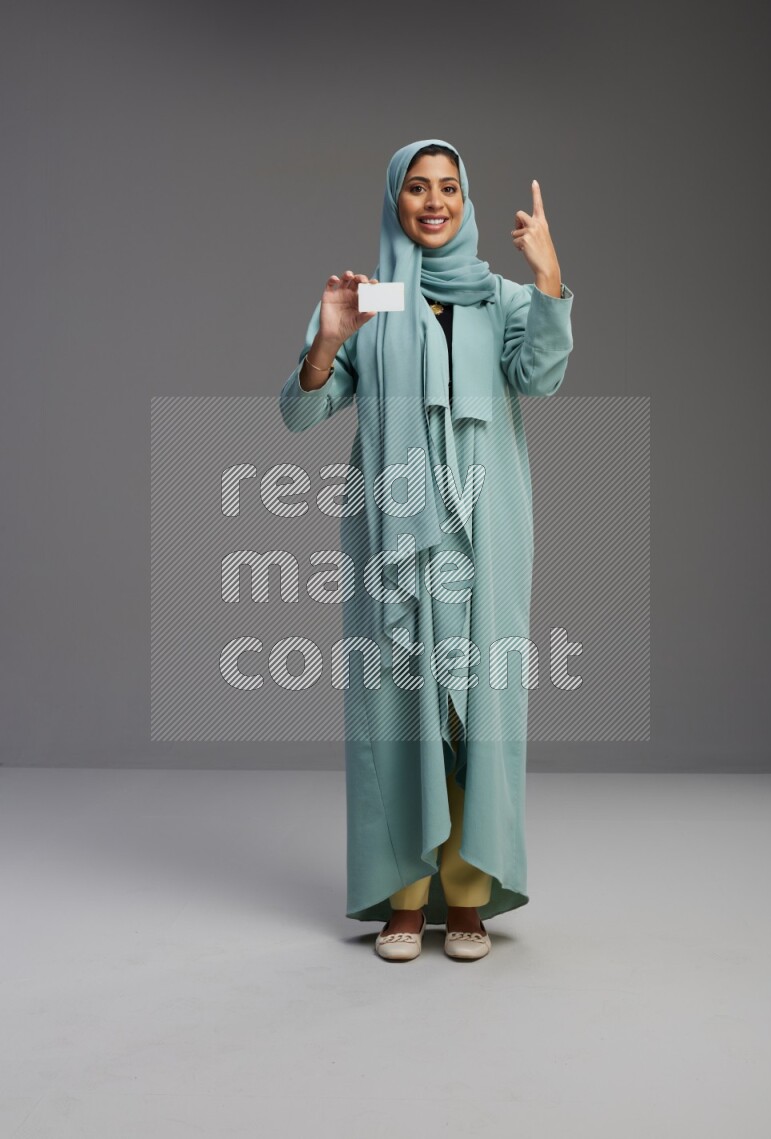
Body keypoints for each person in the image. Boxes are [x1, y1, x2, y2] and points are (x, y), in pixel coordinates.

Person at [279, 138, 574, 961]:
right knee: (398, 711)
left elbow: (542, 377)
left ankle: (470, 894)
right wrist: (328, 342)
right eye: (417, 187)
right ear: (394, 199)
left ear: (466, 198)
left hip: (487, 531)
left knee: (475, 709)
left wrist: (549, 279)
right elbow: (300, 414)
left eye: (448, 187)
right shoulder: (368, 300)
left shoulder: (503, 299)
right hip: (394, 536)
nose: (433, 201)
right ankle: (405, 899)